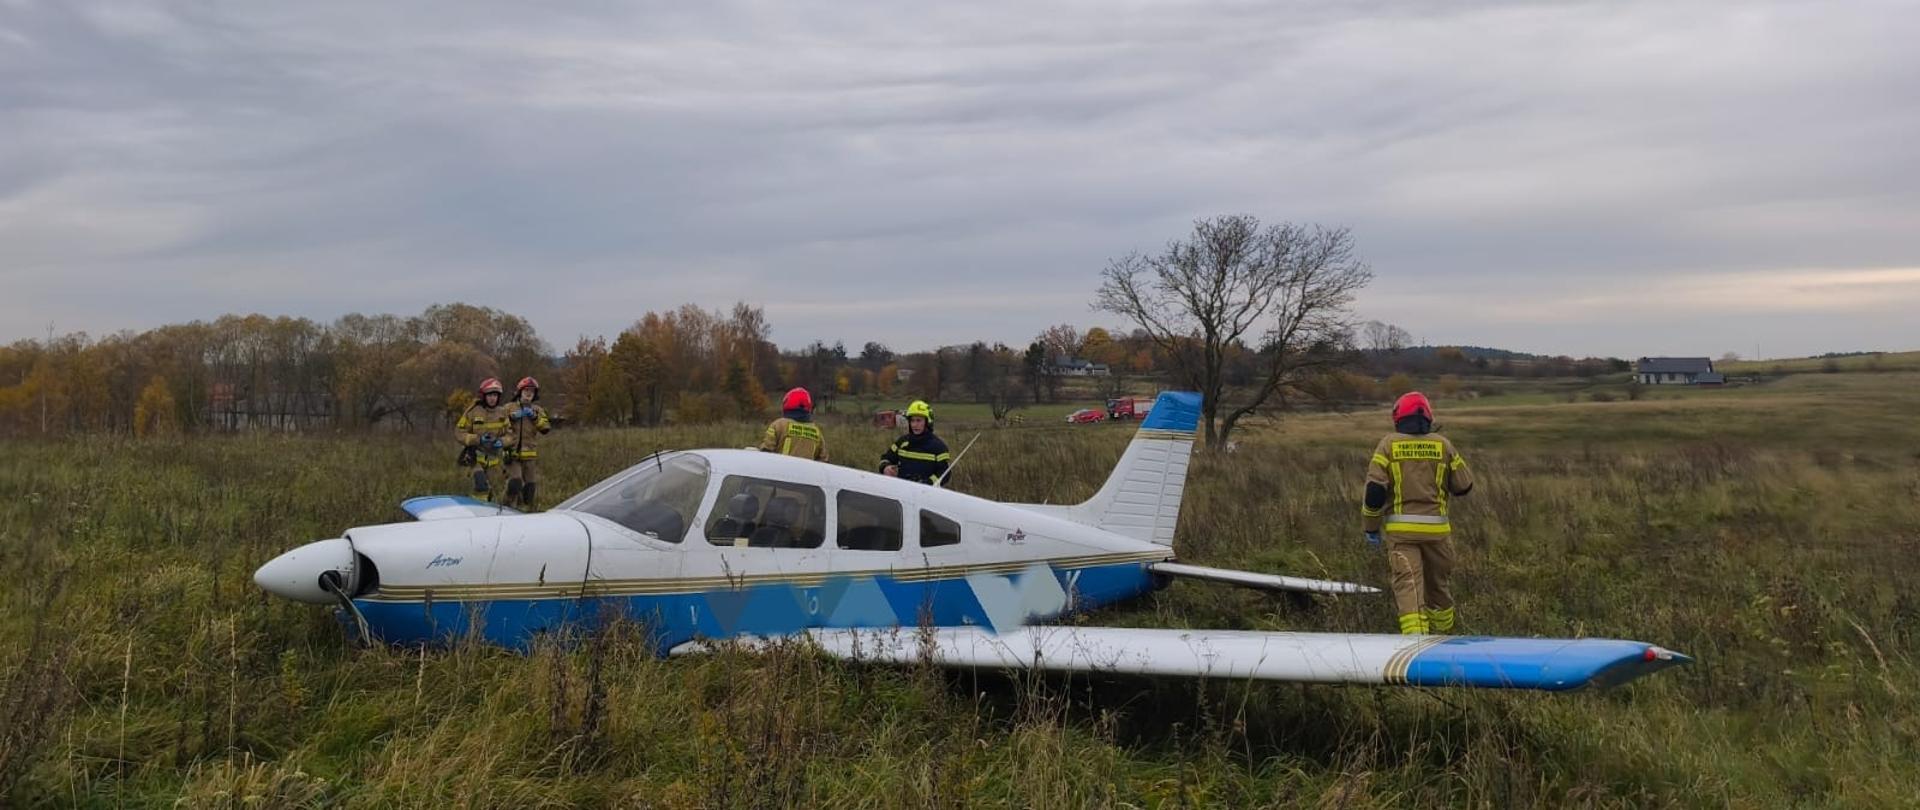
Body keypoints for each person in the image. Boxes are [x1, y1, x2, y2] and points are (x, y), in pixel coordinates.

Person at [1361, 391, 1475, 635]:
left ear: (1398, 418)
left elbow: (1374, 493)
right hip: (1438, 534)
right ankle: (1445, 639)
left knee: (1408, 586)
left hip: (1402, 535)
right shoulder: (1443, 445)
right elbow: (1464, 486)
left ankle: (1415, 646)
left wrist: (1371, 528)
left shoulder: (1387, 445)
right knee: (1438, 587)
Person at [455, 377, 513, 502]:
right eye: (490, 395)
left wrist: (501, 442)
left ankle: (491, 513)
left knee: (496, 490)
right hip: (475, 457)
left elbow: (511, 435)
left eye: (495, 395)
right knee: (481, 484)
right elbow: (459, 432)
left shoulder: (502, 413)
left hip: (494, 460)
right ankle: (478, 512)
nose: (493, 398)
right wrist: (478, 439)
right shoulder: (473, 411)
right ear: (483, 396)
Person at [502, 376, 553, 510]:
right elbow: (498, 425)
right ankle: (507, 508)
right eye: (526, 390)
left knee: (530, 488)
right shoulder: (508, 408)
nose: (529, 393)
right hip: (512, 453)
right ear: (520, 392)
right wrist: (511, 418)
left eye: (532, 391)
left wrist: (535, 417)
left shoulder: (538, 410)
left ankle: (524, 511)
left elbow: (546, 428)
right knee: (515, 482)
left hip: (529, 454)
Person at [879, 400, 951, 485]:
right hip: (900, 491)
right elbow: (886, 458)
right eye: (912, 421)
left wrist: (927, 483)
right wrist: (885, 467)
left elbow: (945, 474)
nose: (914, 425)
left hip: (925, 494)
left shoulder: (938, 447)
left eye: (918, 420)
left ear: (928, 422)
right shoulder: (902, 442)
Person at [759, 387, 828, 461]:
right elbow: (823, 460)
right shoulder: (817, 432)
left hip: (780, 470)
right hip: (807, 472)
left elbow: (766, 451)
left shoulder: (778, 425)